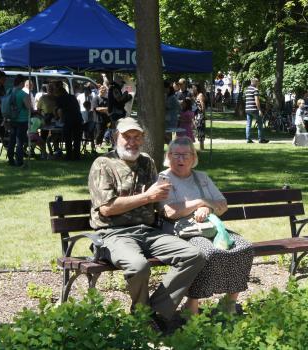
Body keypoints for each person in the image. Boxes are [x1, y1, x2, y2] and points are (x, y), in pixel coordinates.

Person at [88, 118, 205, 329]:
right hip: (113, 234)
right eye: (127, 137)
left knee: (194, 255)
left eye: (137, 137)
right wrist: (148, 197)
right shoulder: (103, 164)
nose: (132, 142)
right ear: (116, 137)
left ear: (142, 139)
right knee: (138, 266)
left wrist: (188, 207)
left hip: (149, 231)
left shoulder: (147, 162)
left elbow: (158, 199)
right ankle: (144, 316)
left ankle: (152, 313)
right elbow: (106, 208)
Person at [159, 137, 253, 315]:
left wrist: (206, 208)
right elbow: (170, 212)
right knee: (206, 253)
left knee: (245, 248)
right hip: (183, 231)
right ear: (168, 156)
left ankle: (228, 303)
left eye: (185, 155)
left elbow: (223, 205)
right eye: (176, 155)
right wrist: (200, 202)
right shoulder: (164, 179)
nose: (180, 159)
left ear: (193, 157)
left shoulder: (202, 177)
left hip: (212, 228)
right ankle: (191, 305)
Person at [6, 75, 31, 167]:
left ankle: (10, 160)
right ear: (21, 83)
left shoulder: (9, 91)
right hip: (22, 120)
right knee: (19, 142)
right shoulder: (23, 94)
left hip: (11, 119)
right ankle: (19, 161)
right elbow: (29, 107)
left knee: (12, 141)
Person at [54, 80, 82, 161]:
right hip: (78, 118)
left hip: (69, 119)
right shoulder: (73, 97)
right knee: (77, 138)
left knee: (68, 138)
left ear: (59, 93)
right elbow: (78, 108)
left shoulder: (60, 98)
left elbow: (60, 111)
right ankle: (77, 156)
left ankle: (69, 156)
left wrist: (60, 119)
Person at [244, 78, 269, 144]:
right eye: (258, 82)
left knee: (248, 124)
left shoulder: (247, 89)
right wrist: (259, 110)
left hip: (247, 109)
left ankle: (248, 139)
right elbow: (256, 101)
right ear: (255, 82)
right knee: (260, 123)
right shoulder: (255, 90)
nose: (259, 83)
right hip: (254, 109)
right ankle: (261, 139)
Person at [192, 85, 207, 150]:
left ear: (197, 88)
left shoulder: (200, 95)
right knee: (198, 130)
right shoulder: (196, 95)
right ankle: (201, 147)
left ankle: (202, 147)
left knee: (201, 130)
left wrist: (203, 115)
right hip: (197, 115)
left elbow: (203, 105)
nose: (193, 89)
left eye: (194, 87)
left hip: (200, 115)